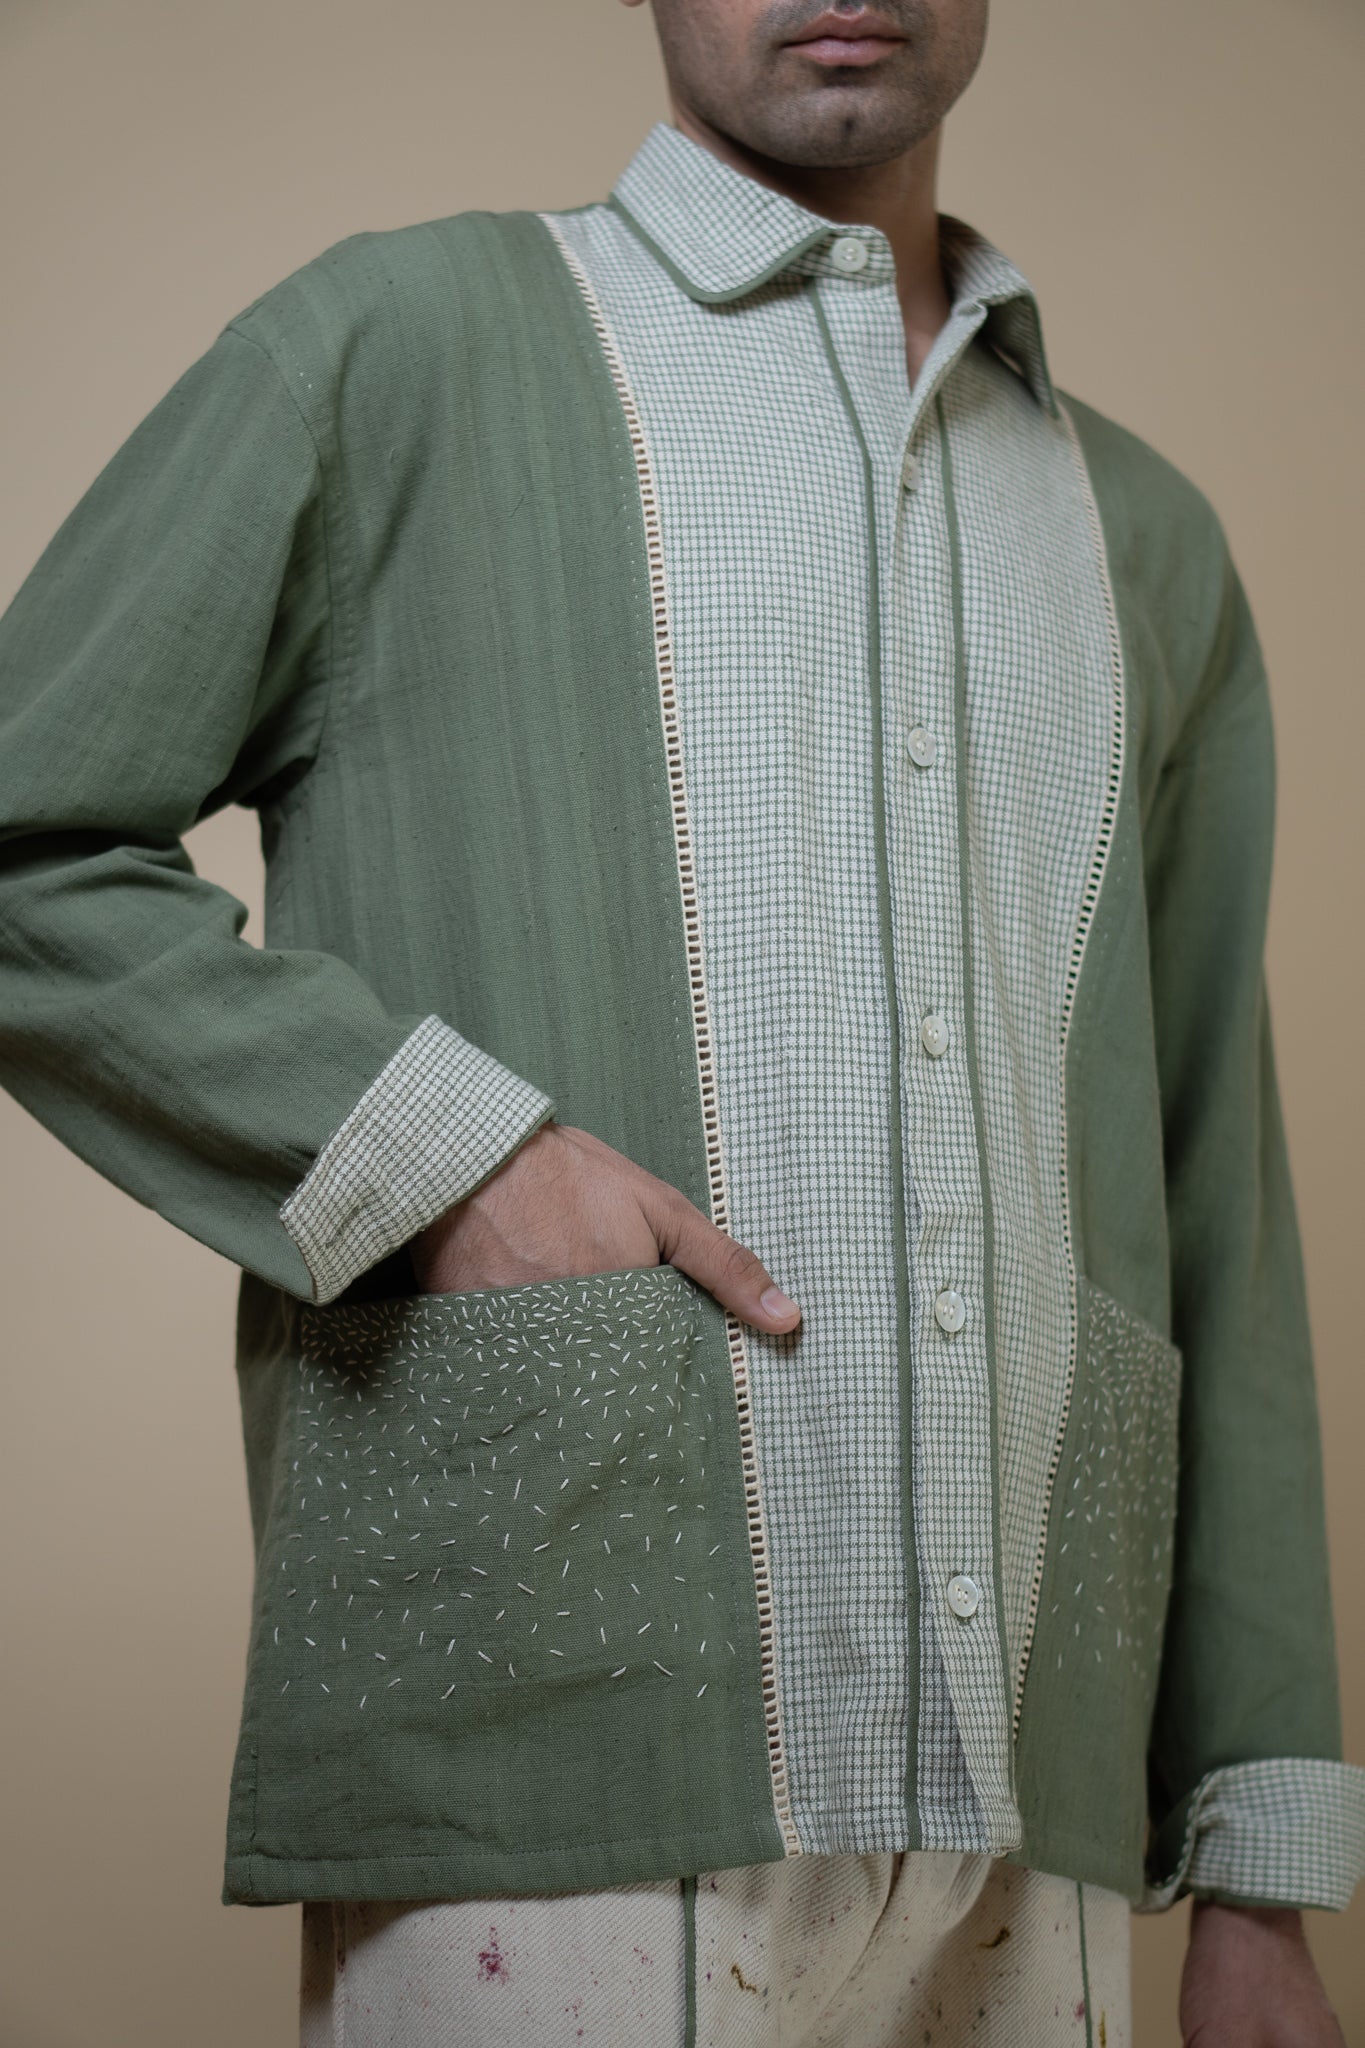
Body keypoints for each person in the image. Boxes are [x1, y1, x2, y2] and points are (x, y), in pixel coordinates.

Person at [1, 0, 1360, 2040]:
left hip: (1038, 1799)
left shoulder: (1138, 534)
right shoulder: (393, 354)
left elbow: (1212, 1193)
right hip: (545, 1753)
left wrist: (1258, 1868)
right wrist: (442, 1159)